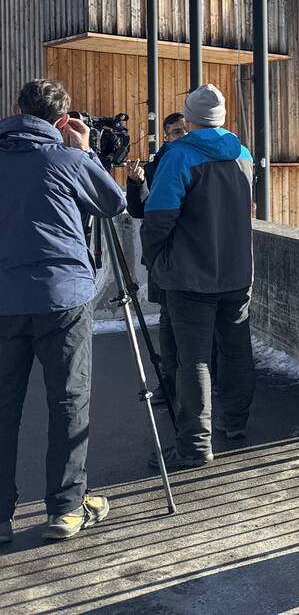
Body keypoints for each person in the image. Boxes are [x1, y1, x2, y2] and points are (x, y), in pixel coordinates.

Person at [0, 78, 126, 543]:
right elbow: (113, 203)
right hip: (62, 300)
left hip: (4, 300)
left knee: (3, 408)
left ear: (16, 110)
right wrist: (86, 151)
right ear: (63, 120)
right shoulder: (68, 159)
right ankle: (67, 508)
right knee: (68, 402)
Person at [141, 84, 256, 471]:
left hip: (189, 277)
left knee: (194, 360)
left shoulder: (179, 155)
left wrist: (155, 260)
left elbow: (158, 218)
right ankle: (236, 421)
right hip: (236, 272)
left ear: (188, 119)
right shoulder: (243, 153)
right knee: (236, 349)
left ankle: (194, 444)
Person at [125, 113, 189, 407]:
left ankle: (200, 383)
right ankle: (169, 382)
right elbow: (140, 211)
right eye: (176, 131)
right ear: (166, 136)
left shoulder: (199, 161)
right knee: (168, 323)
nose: (182, 135)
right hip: (164, 258)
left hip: (191, 256)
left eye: (185, 130)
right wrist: (136, 183)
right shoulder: (154, 167)